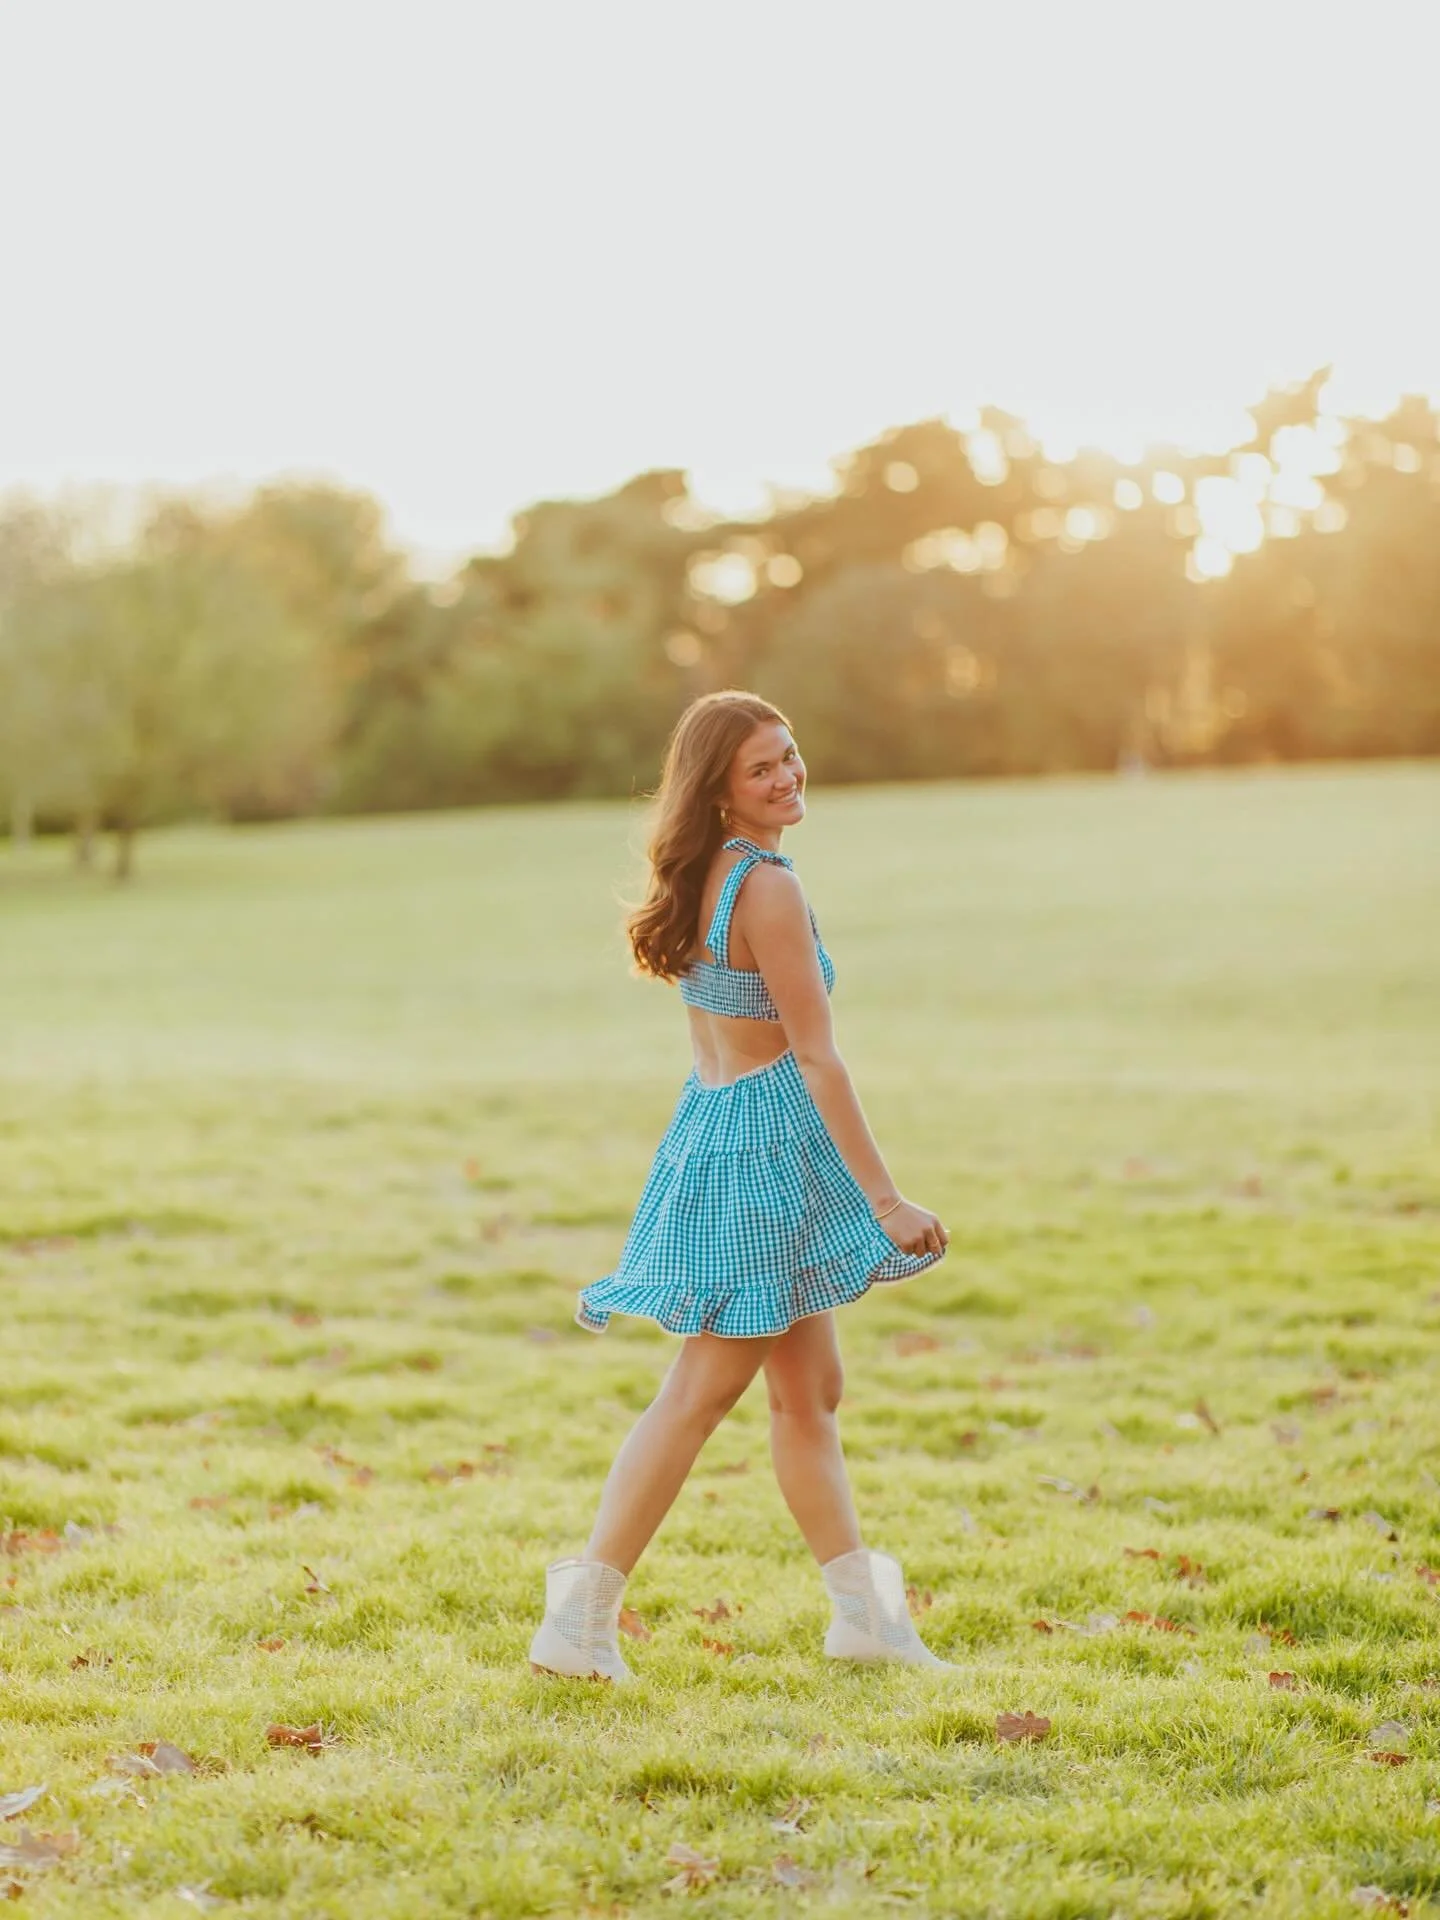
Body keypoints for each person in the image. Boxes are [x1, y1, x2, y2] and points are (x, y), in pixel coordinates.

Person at [527, 690, 955, 1681]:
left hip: (725, 1133)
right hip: (766, 1152)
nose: (787, 776)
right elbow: (818, 1061)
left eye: (791, 755)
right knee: (698, 1394)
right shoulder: (765, 887)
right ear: (720, 788)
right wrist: (886, 1202)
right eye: (761, 767)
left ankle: (864, 1620)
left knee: (810, 1394)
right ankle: (580, 1618)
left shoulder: (705, 877)